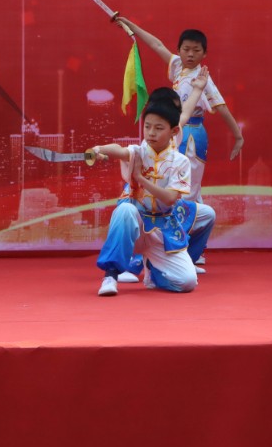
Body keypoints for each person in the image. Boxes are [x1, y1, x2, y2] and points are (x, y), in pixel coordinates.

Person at [113, 15, 242, 271]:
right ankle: (159, 249)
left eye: (196, 50)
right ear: (180, 50)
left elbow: (222, 107)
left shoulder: (202, 79)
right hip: (172, 133)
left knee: (188, 192)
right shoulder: (176, 66)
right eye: (186, 49)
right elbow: (156, 45)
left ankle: (183, 250)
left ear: (204, 54)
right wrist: (131, 26)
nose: (190, 54)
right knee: (163, 184)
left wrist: (238, 136)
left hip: (191, 136)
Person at [90, 94, 216, 296]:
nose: (151, 132)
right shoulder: (139, 151)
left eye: (158, 128)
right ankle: (110, 276)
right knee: (125, 210)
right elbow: (120, 150)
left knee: (187, 282)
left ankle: (154, 271)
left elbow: (170, 198)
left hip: (163, 228)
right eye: (147, 127)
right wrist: (99, 149)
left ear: (174, 131)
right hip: (138, 224)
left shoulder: (180, 162)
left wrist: (140, 178)